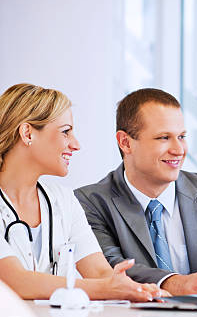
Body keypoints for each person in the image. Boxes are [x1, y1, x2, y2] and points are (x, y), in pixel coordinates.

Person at [74, 88, 197, 296]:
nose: (178, 149)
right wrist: (176, 283)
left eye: (181, 136)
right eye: (164, 138)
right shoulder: (90, 203)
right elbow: (109, 271)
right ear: (125, 142)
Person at [0, 83, 163, 301]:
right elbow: (16, 281)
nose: (76, 145)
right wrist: (107, 289)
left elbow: (99, 273)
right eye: (66, 132)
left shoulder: (63, 200)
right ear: (28, 133)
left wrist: (136, 289)